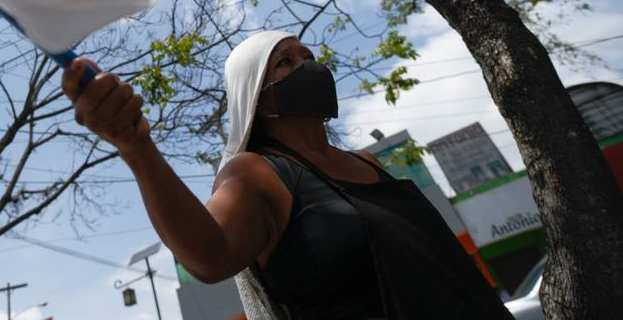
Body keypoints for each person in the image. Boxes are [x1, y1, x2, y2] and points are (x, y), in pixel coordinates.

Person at [62, 30, 515, 319]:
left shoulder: (368, 162)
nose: (309, 67)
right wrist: (137, 148)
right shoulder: (256, 173)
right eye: (286, 63)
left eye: (307, 56)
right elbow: (211, 257)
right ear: (259, 98)